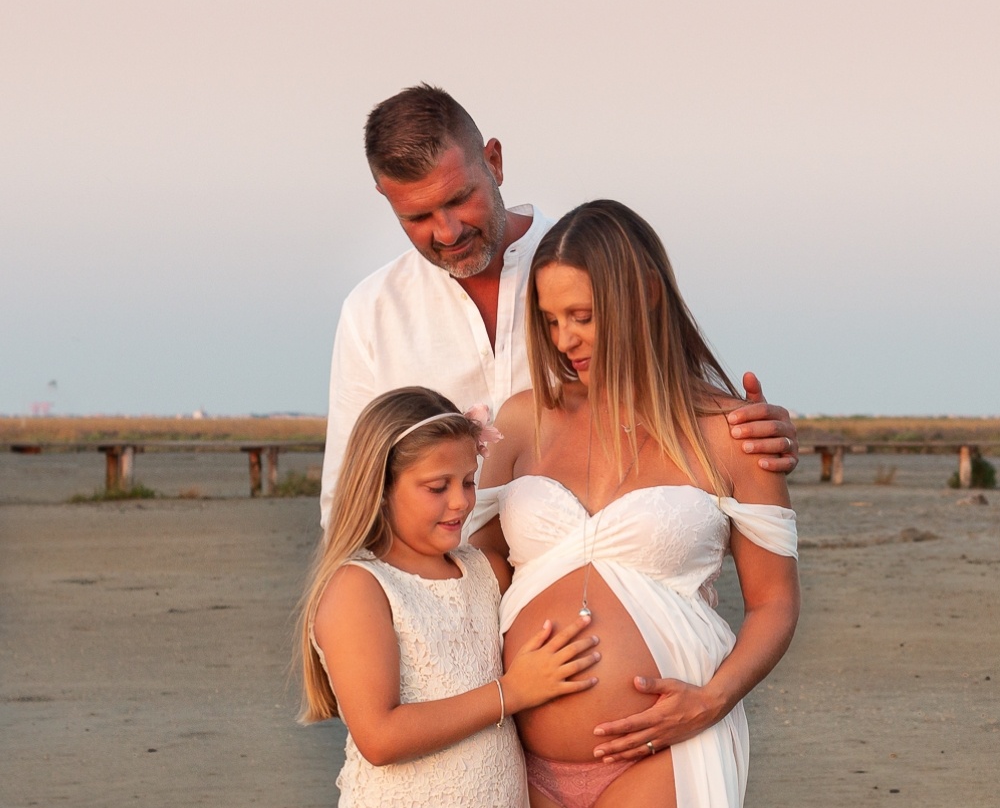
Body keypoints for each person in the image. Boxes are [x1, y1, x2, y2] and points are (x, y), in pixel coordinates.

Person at [469, 200, 800, 808]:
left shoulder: (730, 432)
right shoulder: (521, 425)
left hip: (662, 756)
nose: (565, 340)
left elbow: (776, 603)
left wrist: (711, 701)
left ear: (645, 294)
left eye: (582, 315)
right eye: (550, 321)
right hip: (518, 756)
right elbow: (474, 566)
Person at [321, 84, 799, 531]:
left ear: (495, 161)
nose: (447, 232)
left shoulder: (592, 267)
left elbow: (673, 397)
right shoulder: (370, 311)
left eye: (460, 199)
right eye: (418, 217)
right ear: (387, 199)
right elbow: (346, 497)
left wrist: (750, 433)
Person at [295, 386, 603, 808]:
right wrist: (512, 692)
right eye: (437, 487)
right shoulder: (360, 588)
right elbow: (380, 736)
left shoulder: (485, 571)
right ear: (380, 487)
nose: (460, 502)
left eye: (468, 480)